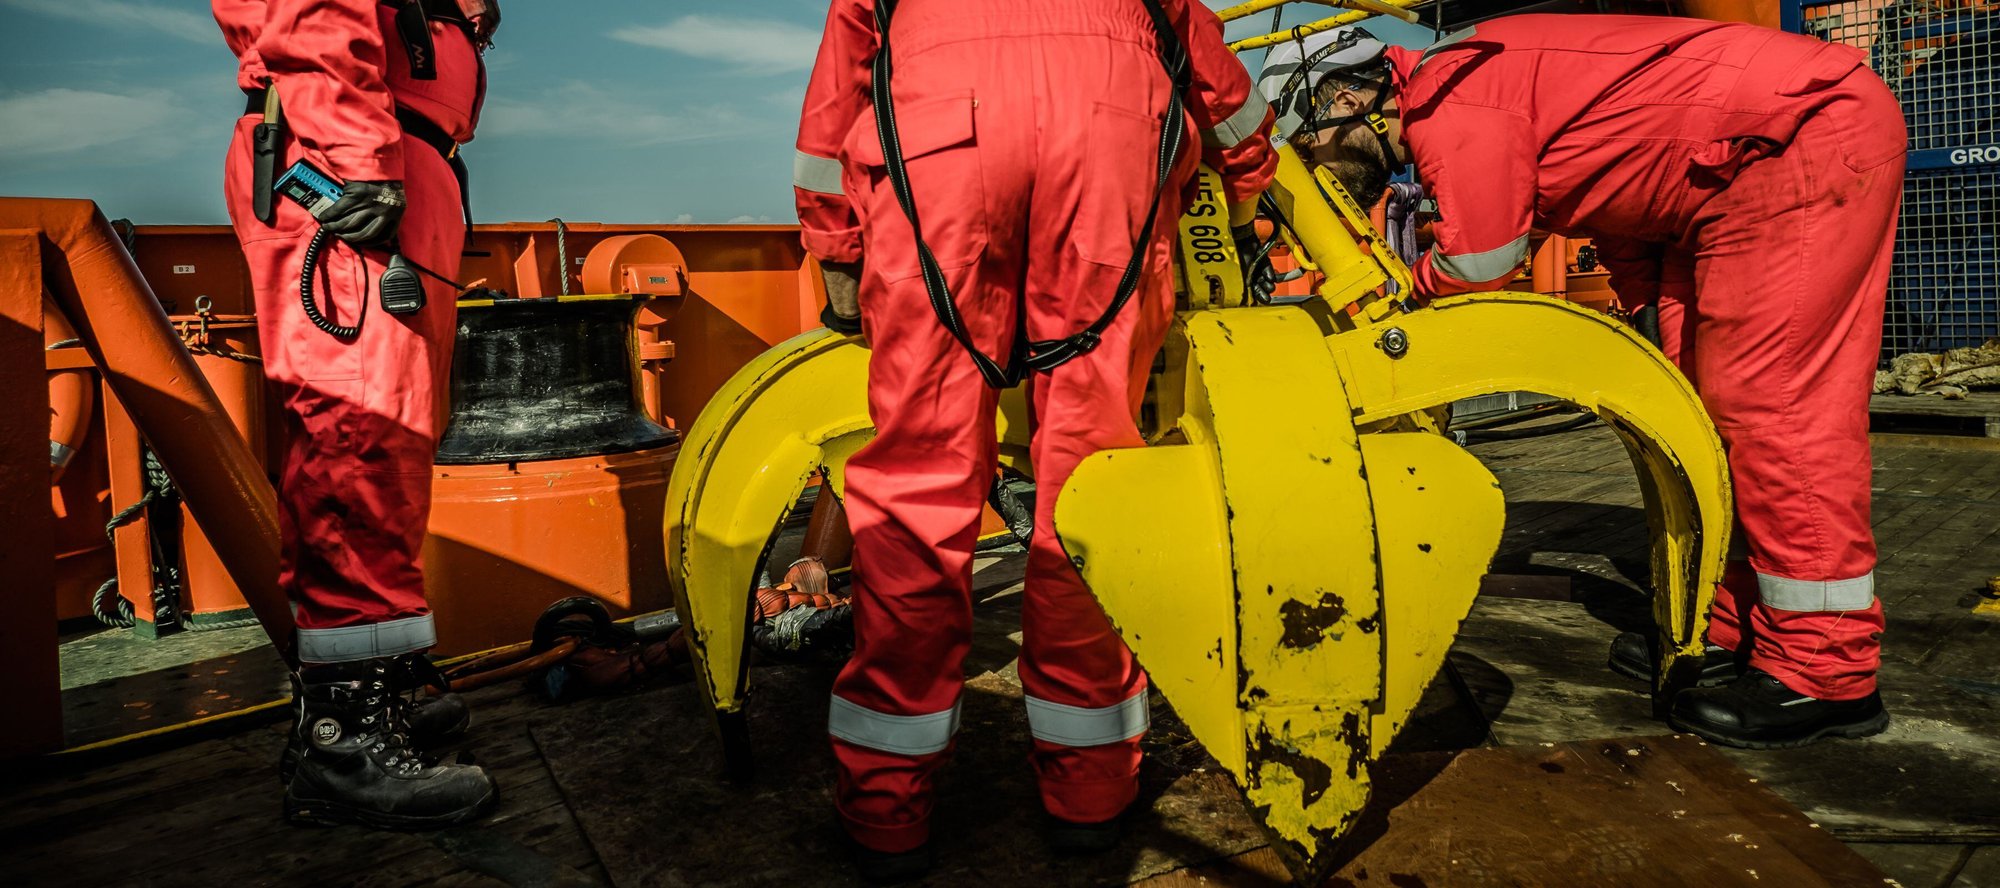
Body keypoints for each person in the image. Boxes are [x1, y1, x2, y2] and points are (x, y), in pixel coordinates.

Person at [1259, 16, 1904, 750]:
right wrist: (1640, 302)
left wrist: (1403, 295)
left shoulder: (1450, 92)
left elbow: (1483, 260)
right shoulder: (1467, 85)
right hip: (1712, 184)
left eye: (1308, 140)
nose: (1313, 162)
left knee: (1771, 407)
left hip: (1796, 137)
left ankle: (1826, 670)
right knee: (1702, 404)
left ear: (1347, 98)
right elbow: (1622, 183)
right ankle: (1733, 626)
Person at [793, 0, 1275, 878]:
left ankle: (886, 803)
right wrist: (1247, 188)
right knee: (1090, 478)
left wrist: (834, 247)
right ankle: (1090, 788)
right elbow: (1219, 80)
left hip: (935, 140)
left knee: (918, 481)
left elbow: (834, 102)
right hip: (1112, 134)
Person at [213, 0, 500, 828]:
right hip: (350, 168)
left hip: (391, 164)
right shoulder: (356, 153)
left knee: (391, 442)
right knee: (358, 439)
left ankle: (379, 690)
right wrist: (356, 152)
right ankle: (344, 740)